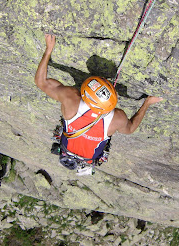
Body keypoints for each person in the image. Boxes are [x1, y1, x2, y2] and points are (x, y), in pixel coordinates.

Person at [35, 34, 163, 174]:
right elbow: (130, 128)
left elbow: (42, 82)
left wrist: (48, 50)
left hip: (81, 154)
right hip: (74, 152)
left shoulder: (71, 99)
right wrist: (147, 103)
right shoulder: (117, 118)